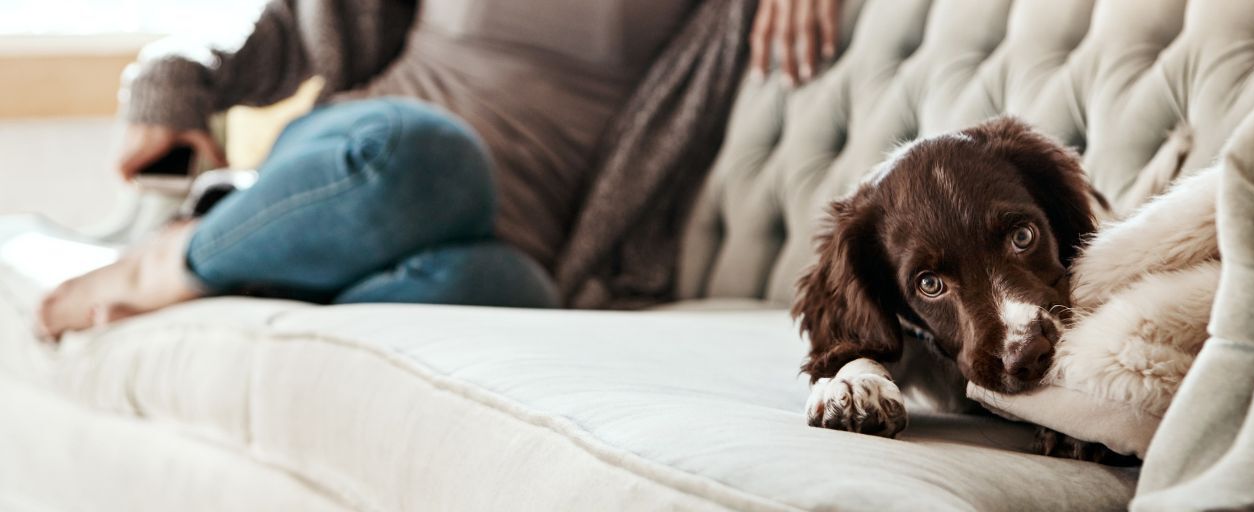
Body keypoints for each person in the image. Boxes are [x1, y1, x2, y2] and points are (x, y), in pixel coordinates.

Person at [37, 0, 843, 338]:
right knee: (434, 158)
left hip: (511, 244)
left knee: (516, 296)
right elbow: (293, 24)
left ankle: (255, 272)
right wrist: (168, 79)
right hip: (371, 160)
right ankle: (179, 258)